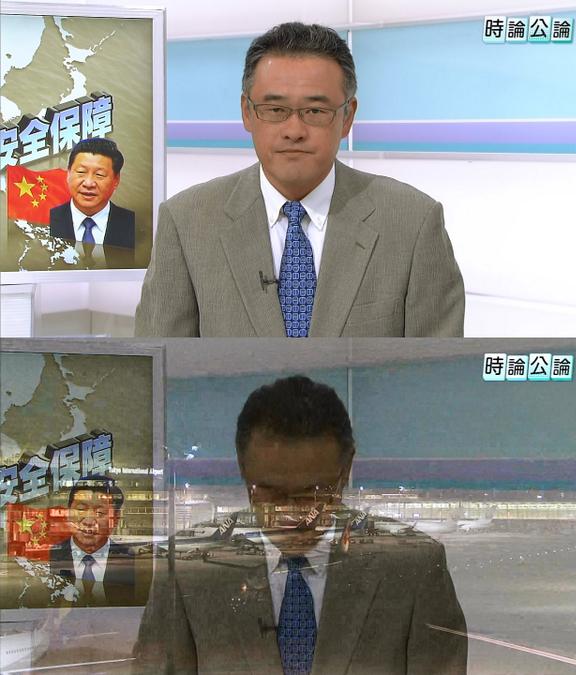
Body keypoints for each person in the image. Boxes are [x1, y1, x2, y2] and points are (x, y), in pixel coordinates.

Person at [135, 22, 464, 337]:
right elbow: (158, 366)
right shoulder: (187, 222)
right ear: (247, 112)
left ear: (347, 117)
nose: (294, 131)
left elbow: (437, 369)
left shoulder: (414, 223)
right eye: (274, 110)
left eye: (315, 112)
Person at [134, 376, 467, 674]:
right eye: (272, 493)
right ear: (243, 469)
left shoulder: (414, 568)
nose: (292, 516)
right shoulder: (186, 566)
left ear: (346, 469)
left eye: (313, 494)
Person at [50, 475, 143, 606]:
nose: (89, 521)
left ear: (115, 519)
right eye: (81, 510)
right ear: (68, 513)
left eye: (100, 513)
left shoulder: (135, 562)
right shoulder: (48, 557)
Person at [50, 138, 135, 249]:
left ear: (116, 180)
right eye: (81, 172)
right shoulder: (47, 220)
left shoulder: (133, 224)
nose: (88, 183)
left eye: (99, 174)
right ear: (68, 174)